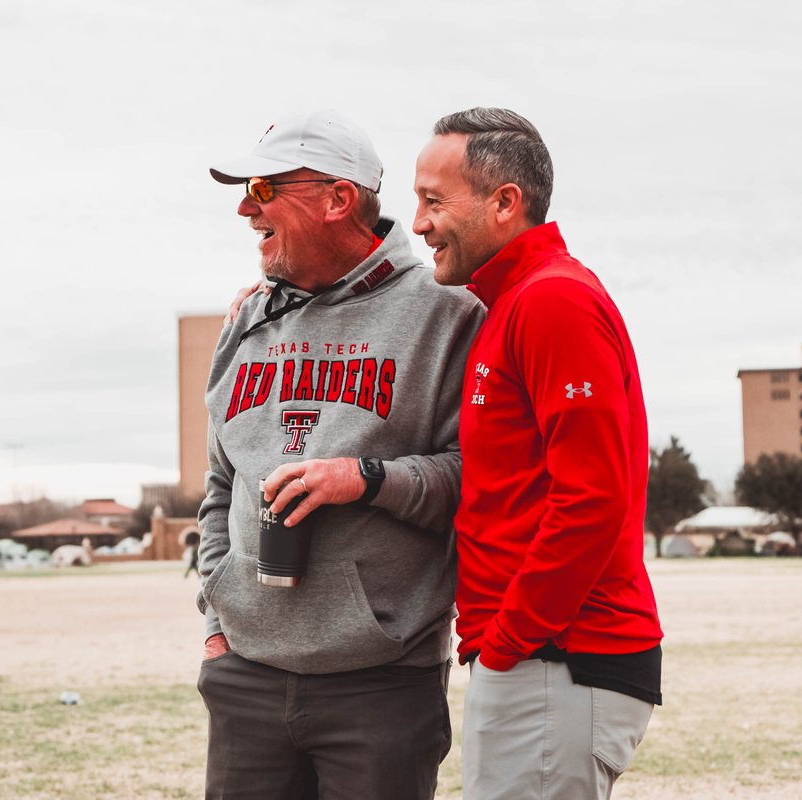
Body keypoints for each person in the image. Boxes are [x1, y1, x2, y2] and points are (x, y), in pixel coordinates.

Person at [195, 109, 483, 799]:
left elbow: (479, 475)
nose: (244, 207)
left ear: (337, 199)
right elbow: (218, 483)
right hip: (246, 676)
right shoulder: (246, 320)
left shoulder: (449, 313)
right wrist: (217, 618)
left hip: (380, 684)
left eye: (264, 190)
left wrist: (366, 479)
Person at [412, 107, 663, 800]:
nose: (418, 223)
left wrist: (509, 639)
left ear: (504, 202)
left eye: (433, 201)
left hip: (559, 658)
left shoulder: (552, 301)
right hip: (538, 658)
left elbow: (592, 497)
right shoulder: (509, 304)